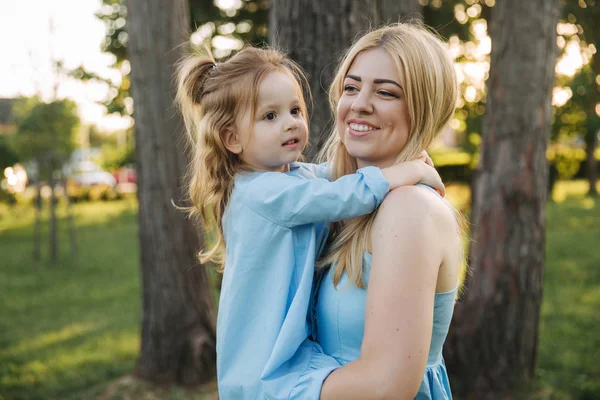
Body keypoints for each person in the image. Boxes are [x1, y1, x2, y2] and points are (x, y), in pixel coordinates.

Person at [174, 46, 445, 399]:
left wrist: (395, 162)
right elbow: (340, 195)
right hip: (263, 366)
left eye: (295, 110)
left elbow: (336, 175)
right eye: (269, 116)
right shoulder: (260, 193)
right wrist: (407, 171)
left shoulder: (288, 178)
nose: (290, 123)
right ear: (232, 138)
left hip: (289, 354)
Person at [312, 22, 464, 399]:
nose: (359, 103)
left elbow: (387, 385)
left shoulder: (409, 208)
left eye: (386, 92)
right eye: (351, 87)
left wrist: (270, 385)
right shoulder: (346, 201)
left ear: (423, 109)